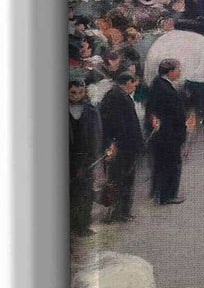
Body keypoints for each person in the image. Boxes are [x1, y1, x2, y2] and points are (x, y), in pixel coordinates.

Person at [144, 58, 193, 205]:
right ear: (170, 72)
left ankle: (158, 193)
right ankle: (167, 195)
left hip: (163, 135)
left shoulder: (158, 84)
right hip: (169, 135)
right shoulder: (166, 90)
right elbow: (174, 113)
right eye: (178, 69)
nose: (180, 72)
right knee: (171, 165)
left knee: (161, 165)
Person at [98, 71, 144, 223]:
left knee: (121, 180)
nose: (135, 85)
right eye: (134, 82)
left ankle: (121, 212)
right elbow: (121, 126)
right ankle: (119, 213)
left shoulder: (115, 95)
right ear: (128, 82)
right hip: (122, 148)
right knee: (121, 180)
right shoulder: (119, 98)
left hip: (121, 146)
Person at [68, 79, 104, 236]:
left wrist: (95, 156)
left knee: (85, 193)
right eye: (73, 92)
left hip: (85, 158)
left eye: (80, 92)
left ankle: (83, 226)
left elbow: (97, 134)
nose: (77, 96)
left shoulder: (91, 111)